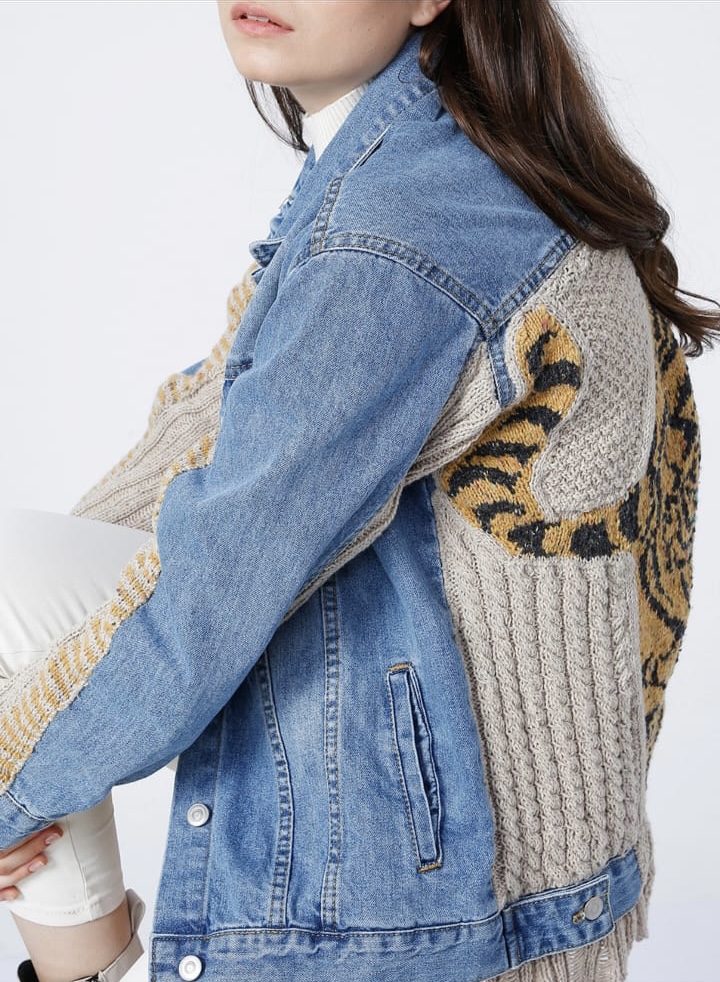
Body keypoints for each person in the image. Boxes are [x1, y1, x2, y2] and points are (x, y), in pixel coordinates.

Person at [0, 1, 717, 981]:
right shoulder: (415, 162)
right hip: (494, 880)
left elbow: (216, 590)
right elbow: (212, 446)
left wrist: (11, 795)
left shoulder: (400, 226)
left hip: (449, 917)